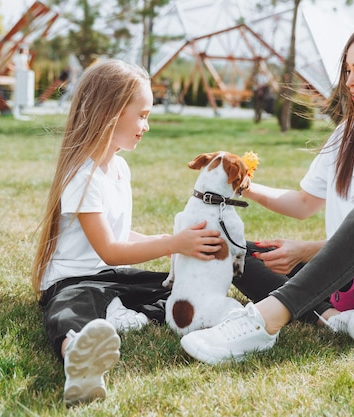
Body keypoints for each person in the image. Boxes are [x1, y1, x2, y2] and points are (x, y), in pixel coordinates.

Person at [180, 20, 354, 365]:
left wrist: (307, 251)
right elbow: (302, 204)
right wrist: (244, 185)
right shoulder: (346, 134)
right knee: (245, 255)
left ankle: (264, 321)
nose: (349, 82)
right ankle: (337, 319)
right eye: (347, 71)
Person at [31, 59, 224, 405]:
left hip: (111, 276)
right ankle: (77, 354)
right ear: (110, 112)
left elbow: (121, 234)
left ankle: (118, 313)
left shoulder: (119, 167)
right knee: (71, 311)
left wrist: (172, 247)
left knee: (178, 287)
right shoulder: (82, 175)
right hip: (73, 281)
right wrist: (172, 242)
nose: (146, 125)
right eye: (142, 115)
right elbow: (110, 249)